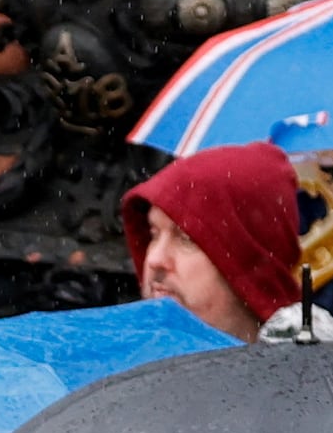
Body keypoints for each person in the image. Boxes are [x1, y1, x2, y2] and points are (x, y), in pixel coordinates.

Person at [128, 144, 303, 338]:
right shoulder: (114, 358)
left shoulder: (319, 364)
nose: (155, 259)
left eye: (186, 239)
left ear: (248, 260)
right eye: (154, 234)